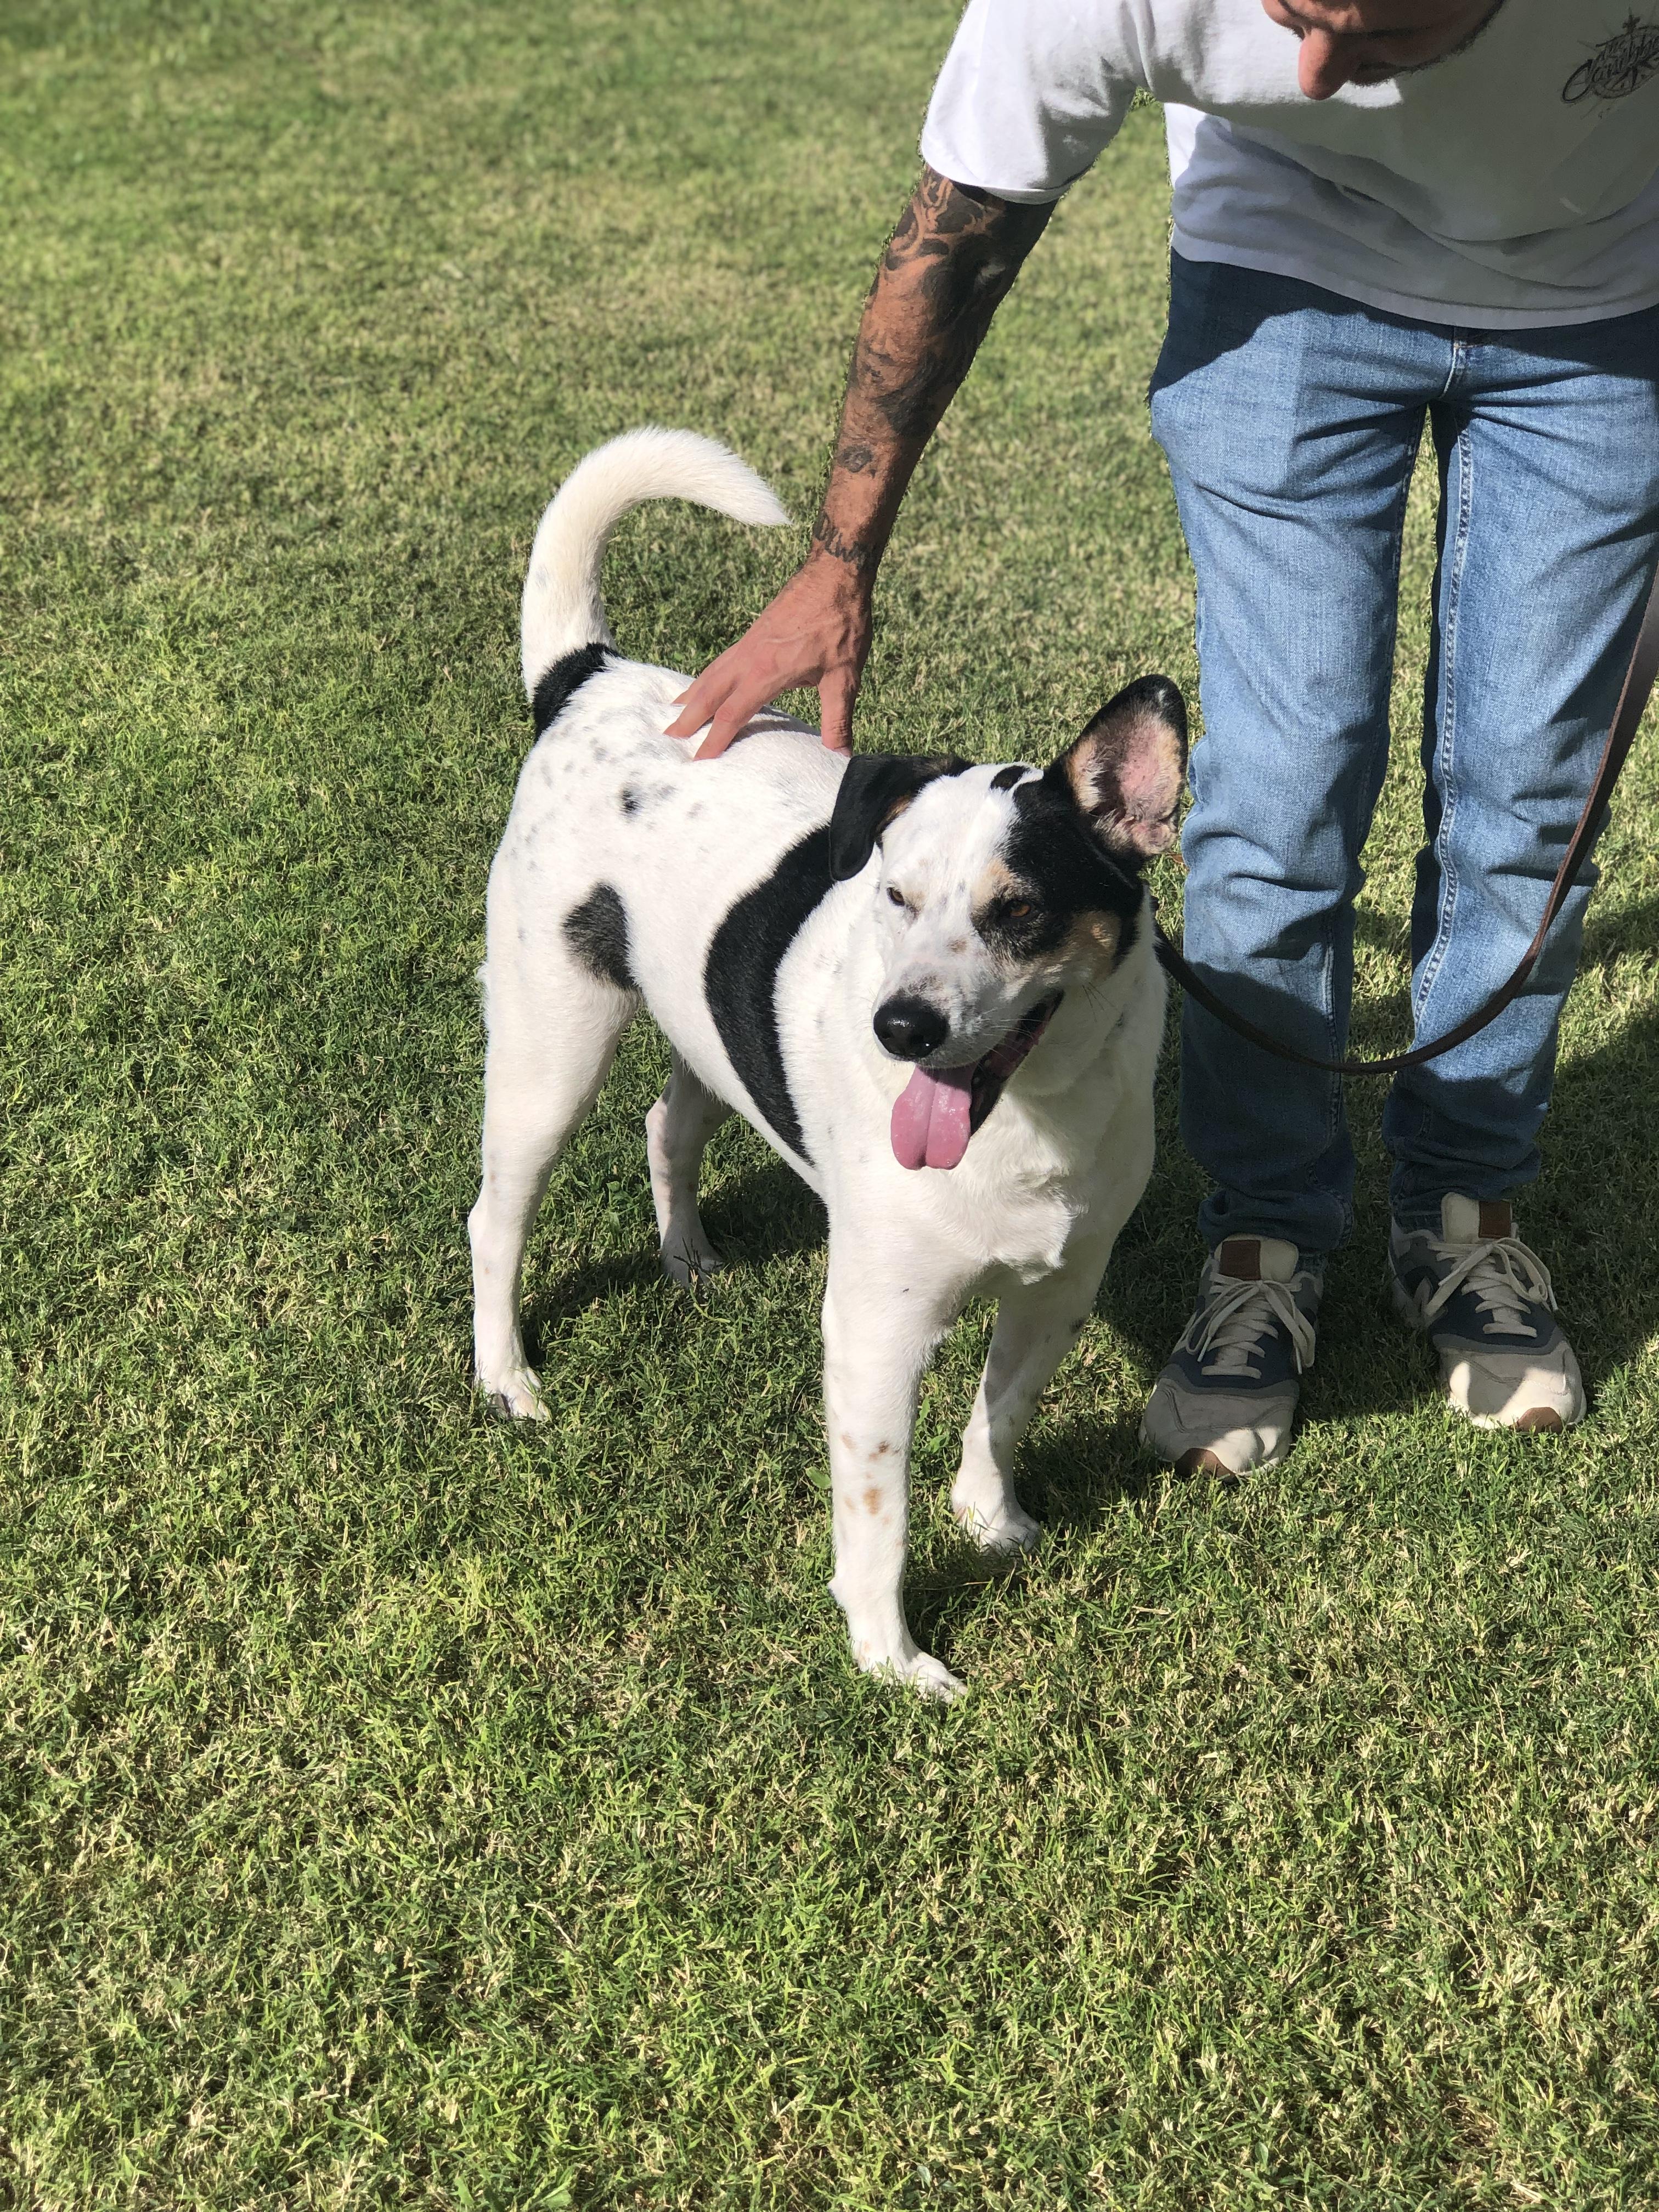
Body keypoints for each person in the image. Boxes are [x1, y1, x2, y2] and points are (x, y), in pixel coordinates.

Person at [666, 0, 1659, 1474]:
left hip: (1604, 294)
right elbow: (967, 215)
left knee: (1528, 793)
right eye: (1293, 16)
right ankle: (1263, 1248)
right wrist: (838, 556)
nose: (1317, 69)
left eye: (1373, 18)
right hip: (1289, 273)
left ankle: (1467, 1223)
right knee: (1279, 794)